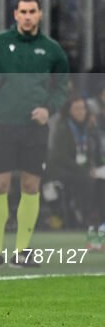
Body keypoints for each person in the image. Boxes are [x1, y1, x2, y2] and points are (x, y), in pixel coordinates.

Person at [0, 0, 69, 267]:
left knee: (30, 185)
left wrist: (49, 108)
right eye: (22, 12)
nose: (27, 17)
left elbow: (62, 85)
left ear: (40, 14)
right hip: (3, 124)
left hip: (35, 129)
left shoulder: (52, 49)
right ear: (15, 14)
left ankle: (22, 251)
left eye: (32, 11)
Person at [47, 96, 105, 228]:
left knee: (101, 182)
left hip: (80, 169)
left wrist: (91, 167)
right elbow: (60, 157)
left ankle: (101, 221)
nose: (81, 112)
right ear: (69, 111)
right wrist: (85, 170)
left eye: (83, 108)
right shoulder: (62, 128)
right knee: (88, 181)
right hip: (61, 170)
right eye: (77, 109)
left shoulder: (87, 128)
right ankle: (86, 218)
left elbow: (89, 153)